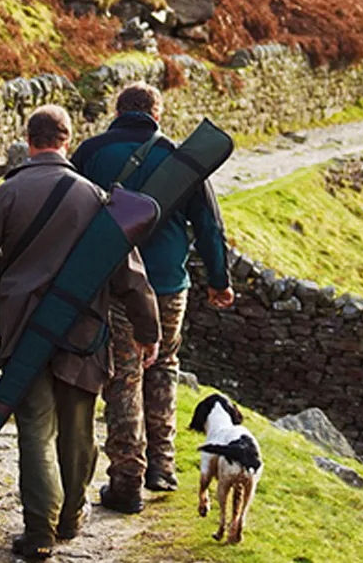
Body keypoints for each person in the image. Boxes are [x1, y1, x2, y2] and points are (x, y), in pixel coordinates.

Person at [0, 105, 161, 560]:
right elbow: (130, 275)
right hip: (83, 333)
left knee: (34, 430)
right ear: (67, 141)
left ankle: (40, 530)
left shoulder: (5, 196)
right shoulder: (97, 198)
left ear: (30, 141)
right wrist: (149, 330)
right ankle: (70, 517)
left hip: (23, 331)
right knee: (78, 431)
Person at [71, 82, 235, 513]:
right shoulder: (180, 159)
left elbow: (68, 211)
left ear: (117, 110)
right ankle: (161, 466)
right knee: (164, 366)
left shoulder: (90, 153)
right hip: (167, 284)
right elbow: (209, 227)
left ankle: (127, 477)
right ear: (157, 114)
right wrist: (219, 281)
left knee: (124, 372)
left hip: (114, 282)